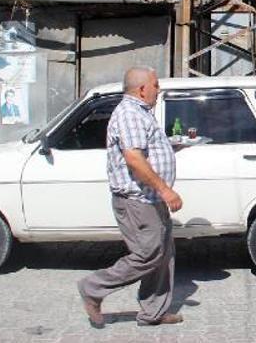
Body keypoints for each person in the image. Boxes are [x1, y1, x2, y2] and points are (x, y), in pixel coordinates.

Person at [77, 66, 184, 328]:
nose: (159, 90)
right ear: (142, 89)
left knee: (163, 254)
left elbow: (144, 150)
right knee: (148, 254)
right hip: (137, 199)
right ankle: (93, 287)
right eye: (156, 85)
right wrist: (164, 189)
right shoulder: (129, 114)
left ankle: (153, 312)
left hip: (149, 198)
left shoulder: (141, 112)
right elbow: (134, 158)